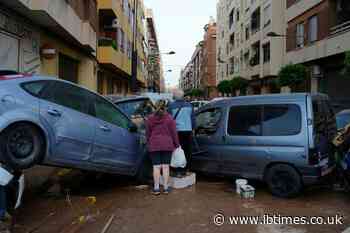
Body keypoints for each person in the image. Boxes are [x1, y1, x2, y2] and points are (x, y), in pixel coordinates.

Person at [146, 100, 179, 195]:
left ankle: (156, 189)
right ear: (165, 107)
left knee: (156, 167)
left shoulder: (150, 119)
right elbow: (174, 133)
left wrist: (149, 142)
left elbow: (148, 133)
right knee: (165, 167)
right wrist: (177, 144)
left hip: (154, 144)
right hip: (167, 145)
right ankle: (165, 188)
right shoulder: (169, 118)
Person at [168, 89, 196, 177]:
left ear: (175, 96)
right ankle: (185, 169)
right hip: (188, 131)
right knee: (187, 151)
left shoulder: (171, 106)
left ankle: (176, 170)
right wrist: (193, 129)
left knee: (176, 151)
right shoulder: (189, 105)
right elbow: (193, 119)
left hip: (176, 131)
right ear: (183, 96)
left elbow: (169, 120)